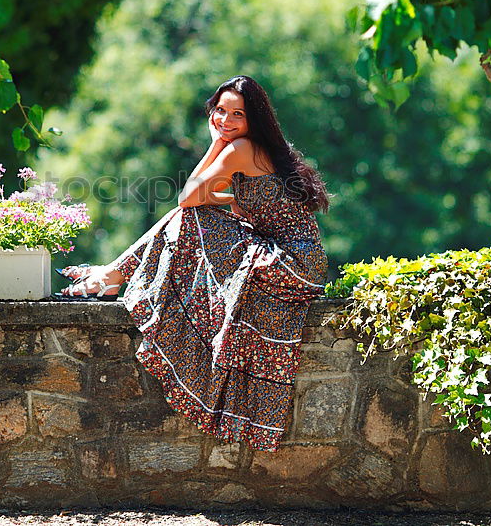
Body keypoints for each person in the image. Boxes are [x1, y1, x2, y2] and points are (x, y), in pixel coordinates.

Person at [58, 75, 329, 452]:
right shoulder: (262, 150)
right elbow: (210, 198)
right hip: (304, 262)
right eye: (220, 111)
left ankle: (111, 275)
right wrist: (219, 178)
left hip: (290, 262)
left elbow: (187, 198)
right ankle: (112, 274)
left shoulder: (240, 149)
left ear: (255, 119)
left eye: (238, 113)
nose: (227, 120)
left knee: (187, 217)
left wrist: (216, 143)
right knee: (191, 218)